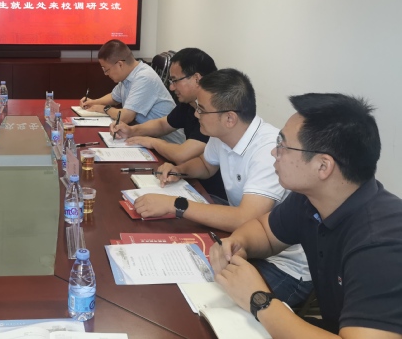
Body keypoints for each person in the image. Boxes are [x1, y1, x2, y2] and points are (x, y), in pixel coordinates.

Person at [210, 93, 402, 338]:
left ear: (323, 166)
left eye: (283, 145)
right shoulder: (311, 198)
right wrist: (238, 244)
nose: (274, 153)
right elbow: (265, 232)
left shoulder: (382, 245)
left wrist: (259, 299)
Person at [134, 69, 312, 306]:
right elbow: (205, 165)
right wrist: (178, 170)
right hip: (242, 245)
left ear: (229, 118)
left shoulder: (268, 151)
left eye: (202, 109)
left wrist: (175, 204)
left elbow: (245, 218)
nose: (196, 114)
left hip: (284, 266)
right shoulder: (222, 134)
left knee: (203, 302)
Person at [110, 47, 226, 199]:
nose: (171, 87)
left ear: (196, 79)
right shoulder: (190, 103)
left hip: (212, 194)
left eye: (175, 81)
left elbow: (182, 154)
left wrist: (152, 142)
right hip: (192, 180)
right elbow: (163, 124)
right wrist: (132, 131)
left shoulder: (214, 113)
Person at [80, 40, 183, 144]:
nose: (106, 74)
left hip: (168, 144)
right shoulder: (128, 75)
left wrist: (104, 108)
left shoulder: (144, 77)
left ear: (120, 64)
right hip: (147, 138)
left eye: (106, 70)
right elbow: (114, 97)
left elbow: (126, 117)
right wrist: (93, 102)